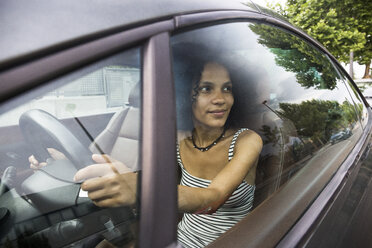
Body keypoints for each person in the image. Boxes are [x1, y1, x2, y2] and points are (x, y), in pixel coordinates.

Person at [29, 61, 262, 248]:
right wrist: (62, 164)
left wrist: (142, 187)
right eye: (205, 88)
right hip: (176, 238)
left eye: (227, 88)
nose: (221, 98)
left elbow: (211, 198)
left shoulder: (246, 140)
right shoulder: (182, 141)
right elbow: (157, 181)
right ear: (184, 96)